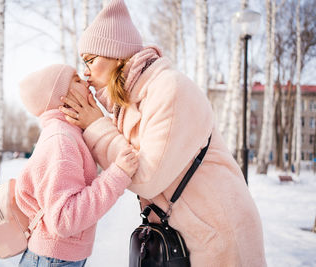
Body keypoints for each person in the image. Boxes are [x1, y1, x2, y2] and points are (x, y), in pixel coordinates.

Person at [59, 0, 267, 266]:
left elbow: (147, 177)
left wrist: (96, 126)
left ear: (116, 54)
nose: (85, 73)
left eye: (90, 60)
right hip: (185, 236)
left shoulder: (169, 89)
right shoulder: (133, 103)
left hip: (218, 233)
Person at [15, 64, 138, 267]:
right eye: (77, 80)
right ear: (61, 97)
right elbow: (64, 219)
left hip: (56, 258)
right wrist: (118, 174)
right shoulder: (60, 140)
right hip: (52, 260)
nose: (86, 82)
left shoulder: (69, 133)